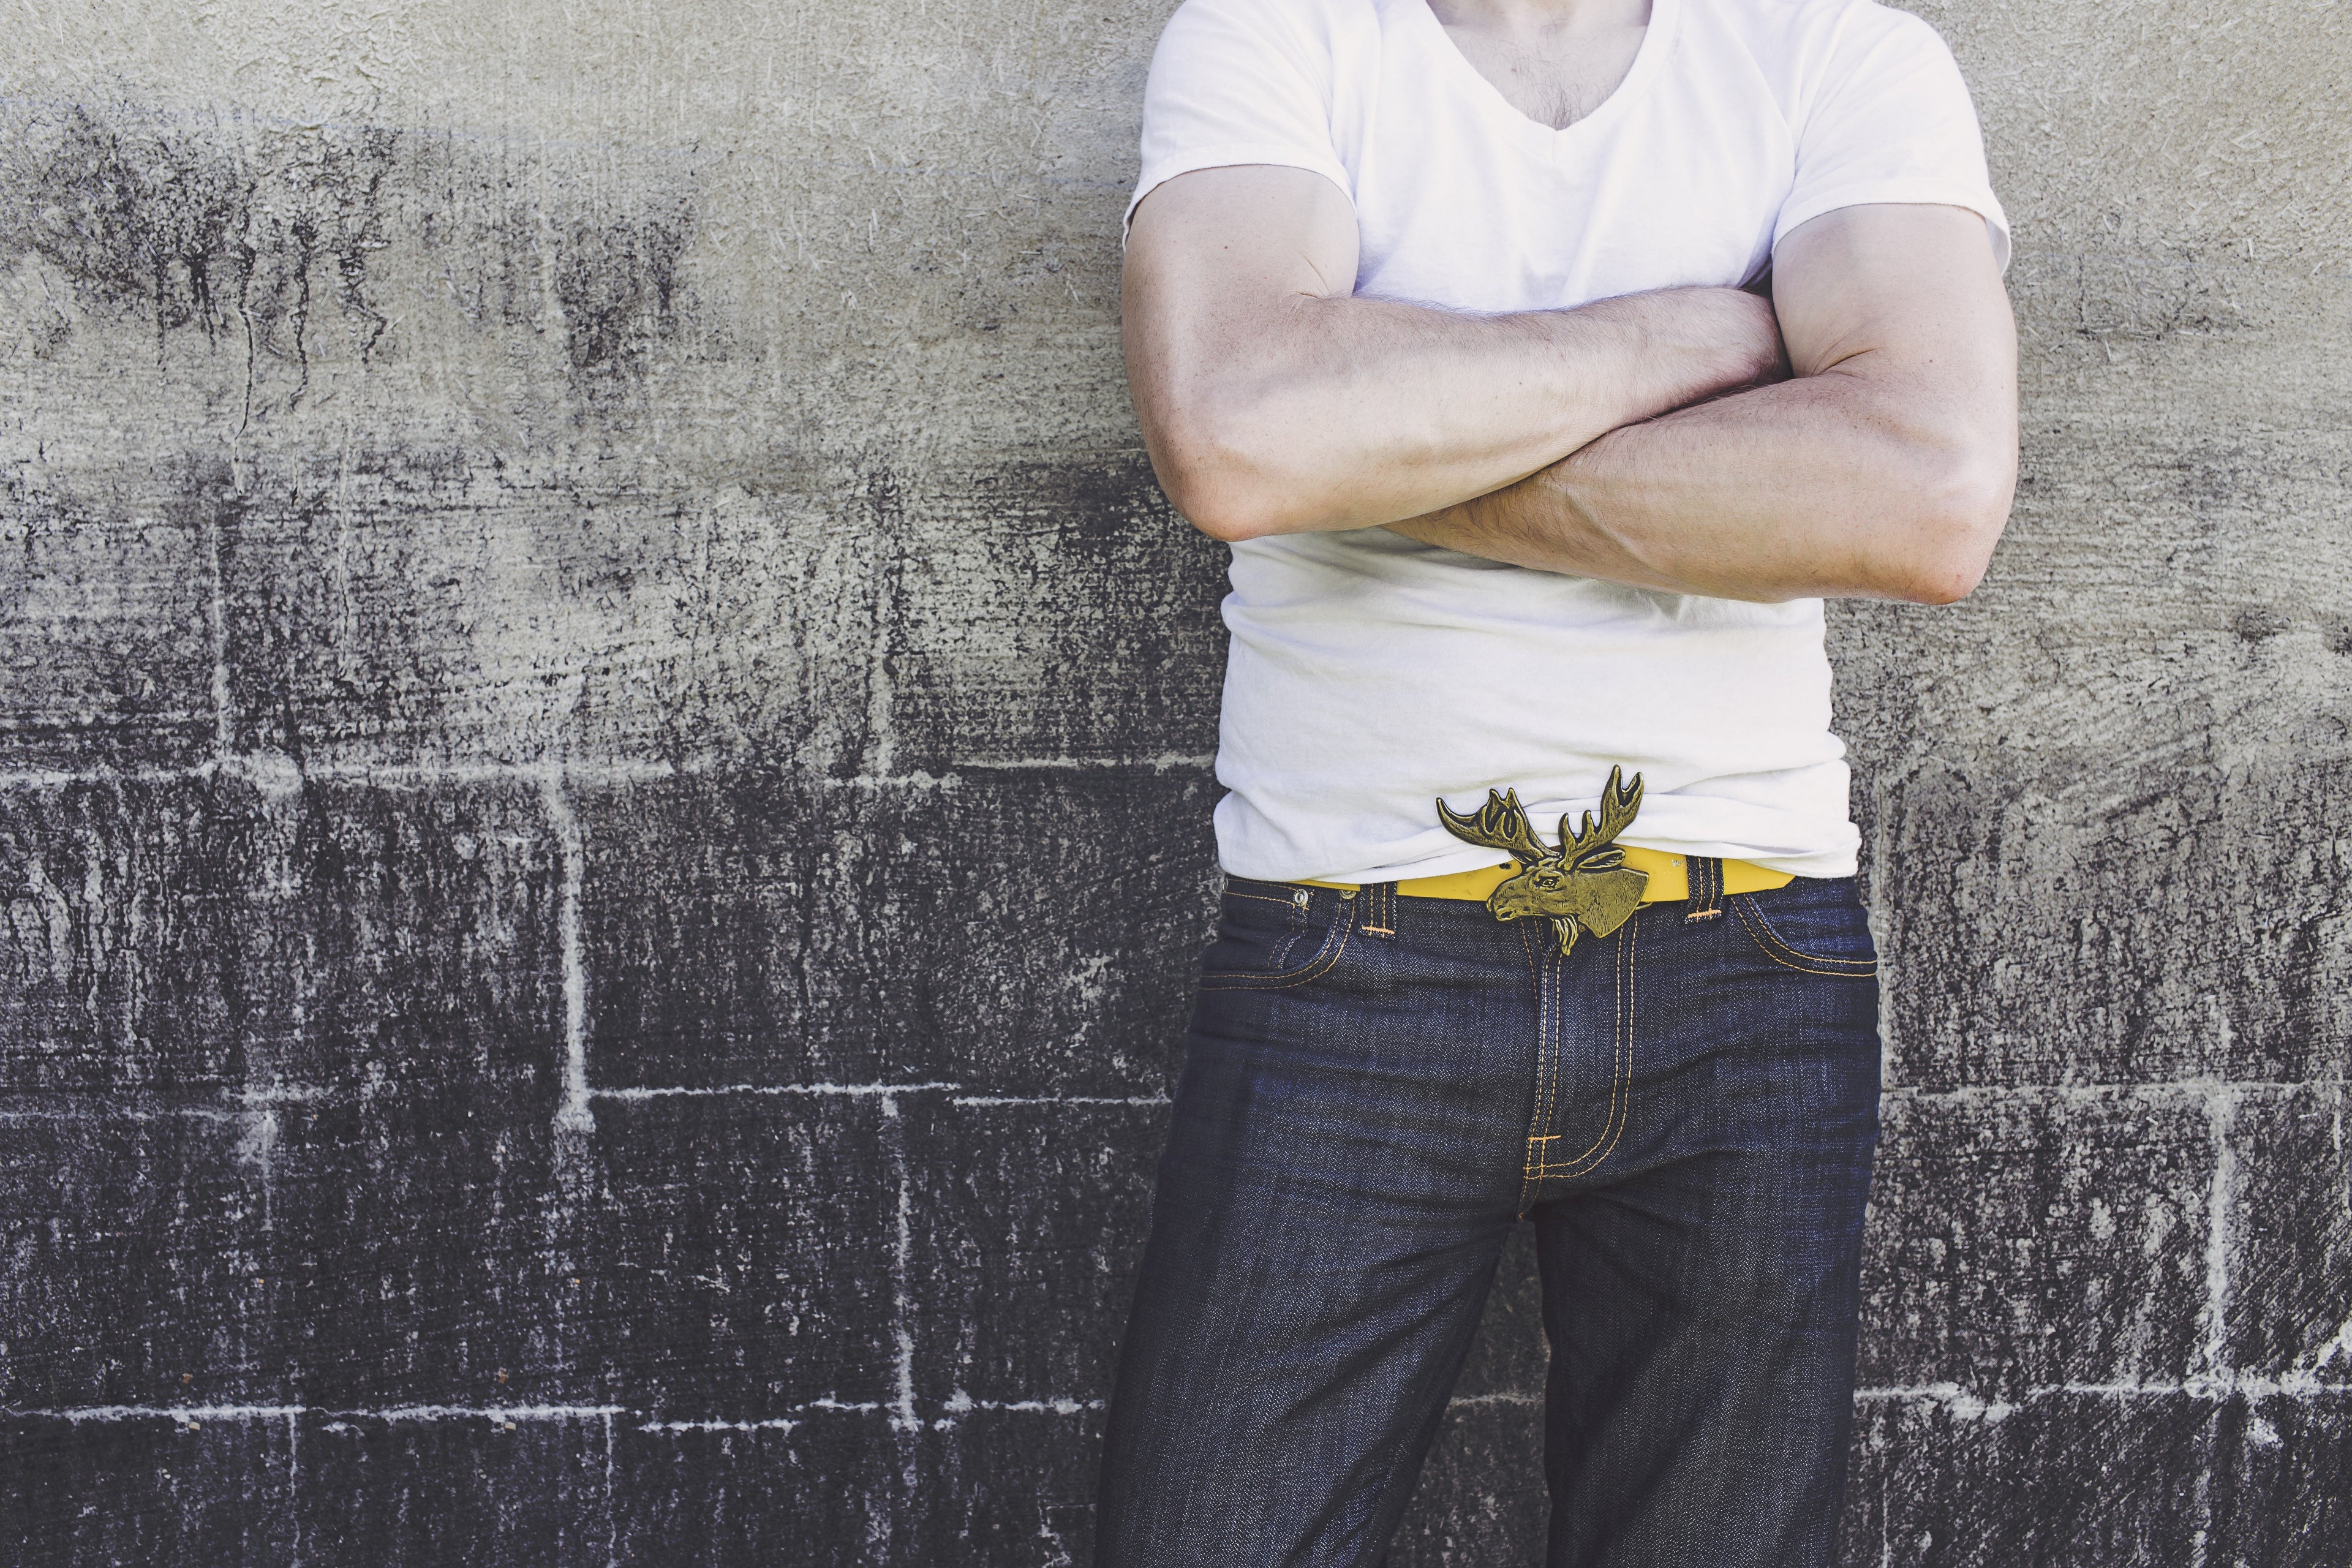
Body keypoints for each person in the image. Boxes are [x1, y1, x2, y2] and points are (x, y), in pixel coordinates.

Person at [1094, 0, 2016, 1563]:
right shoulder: (1274, 36)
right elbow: (1240, 431)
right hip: (1349, 947)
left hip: (1746, 950)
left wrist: (1383, 443)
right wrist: (1684, 343)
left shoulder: (1836, 54)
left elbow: (1925, 497)